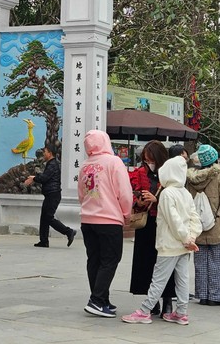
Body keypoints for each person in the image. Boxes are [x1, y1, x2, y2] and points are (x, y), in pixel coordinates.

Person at [121, 155, 202, 325]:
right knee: (182, 279)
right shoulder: (185, 193)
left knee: (158, 279)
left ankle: (144, 311)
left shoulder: (167, 193)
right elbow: (194, 218)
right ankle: (181, 312)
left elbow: (173, 221)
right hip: (184, 245)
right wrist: (191, 237)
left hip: (169, 244)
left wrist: (186, 238)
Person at [78, 129, 133, 318]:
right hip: (109, 219)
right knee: (110, 260)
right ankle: (96, 300)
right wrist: (126, 213)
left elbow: (81, 194)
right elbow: (124, 191)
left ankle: (102, 299)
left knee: (94, 260)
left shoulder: (85, 165)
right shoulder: (114, 162)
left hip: (87, 219)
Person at [186, 144, 220, 306]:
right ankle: (215, 296)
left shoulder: (190, 178)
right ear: (215, 159)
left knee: (201, 263)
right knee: (218, 262)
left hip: (198, 227)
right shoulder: (219, 176)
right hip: (218, 226)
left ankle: (202, 294)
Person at [128, 140, 172, 315]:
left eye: (151, 159)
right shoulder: (139, 173)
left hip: (165, 224)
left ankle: (168, 299)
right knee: (146, 263)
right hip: (146, 225)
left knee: (166, 262)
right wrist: (139, 201)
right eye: (146, 160)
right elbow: (133, 194)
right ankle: (151, 301)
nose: (149, 163)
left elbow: (177, 197)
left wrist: (157, 200)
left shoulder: (169, 174)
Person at [24, 143, 76, 247]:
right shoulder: (51, 163)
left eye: (45, 152)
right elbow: (45, 177)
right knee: (44, 217)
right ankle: (44, 241)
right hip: (50, 194)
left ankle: (68, 232)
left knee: (48, 217)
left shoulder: (53, 164)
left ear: (50, 153)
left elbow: (44, 178)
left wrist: (34, 178)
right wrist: (35, 177)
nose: (43, 153)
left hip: (53, 194)